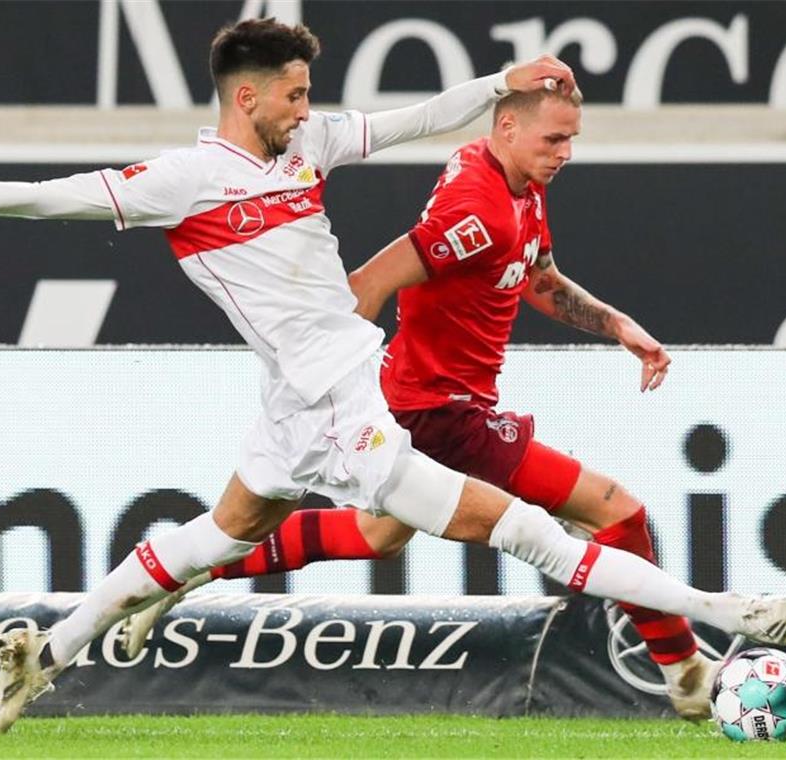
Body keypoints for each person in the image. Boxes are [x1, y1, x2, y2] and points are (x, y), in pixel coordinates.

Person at [0, 18, 786, 735]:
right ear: (246, 97)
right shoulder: (180, 181)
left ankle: (44, 655)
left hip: (298, 403)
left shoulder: (309, 146)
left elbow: (417, 119)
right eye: (293, 94)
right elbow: (58, 198)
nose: (307, 108)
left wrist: (500, 83)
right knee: (528, 532)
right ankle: (729, 613)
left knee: (218, 536)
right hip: (335, 410)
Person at [118, 84, 709, 720]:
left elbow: (534, 276)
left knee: (376, 536)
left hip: (428, 400)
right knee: (615, 511)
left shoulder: (517, 186)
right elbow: (367, 285)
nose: (565, 152)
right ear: (507, 128)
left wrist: (618, 325)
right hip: (441, 410)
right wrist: (324, 388)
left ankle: (187, 569)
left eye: (571, 139)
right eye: (554, 139)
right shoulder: (475, 209)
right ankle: (689, 677)